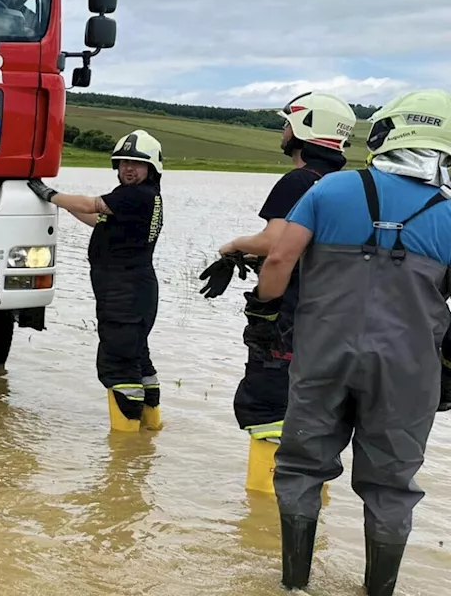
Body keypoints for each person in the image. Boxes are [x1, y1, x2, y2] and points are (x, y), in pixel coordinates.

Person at [248, 88, 451, 595]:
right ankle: (378, 590)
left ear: (384, 134)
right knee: (391, 486)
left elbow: (278, 260)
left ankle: (294, 584)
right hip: (408, 370)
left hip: (322, 356)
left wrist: (264, 313)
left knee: (300, 467)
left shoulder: (330, 190)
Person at [199, 91, 357, 493]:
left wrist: (234, 245)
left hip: (288, 318)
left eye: (287, 123)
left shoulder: (298, 181)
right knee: (315, 418)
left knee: (268, 408)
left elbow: (275, 244)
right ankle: (311, 511)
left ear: (304, 130)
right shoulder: (347, 185)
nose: (282, 130)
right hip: (333, 322)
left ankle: (263, 521)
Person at [28, 130, 165, 432]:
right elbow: (96, 219)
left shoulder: (135, 195)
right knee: (138, 358)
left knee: (118, 364)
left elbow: (92, 205)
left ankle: (124, 445)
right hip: (137, 289)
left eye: (137, 164)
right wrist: (63, 205)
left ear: (152, 168)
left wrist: (48, 194)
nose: (129, 168)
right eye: (124, 162)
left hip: (124, 292)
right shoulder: (142, 198)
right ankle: (150, 433)